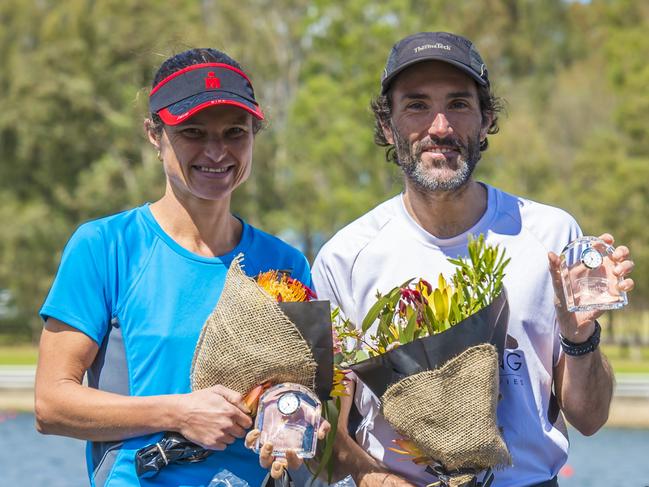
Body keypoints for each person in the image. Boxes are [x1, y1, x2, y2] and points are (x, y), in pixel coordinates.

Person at [312, 32, 635, 487]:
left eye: (459, 105)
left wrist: (580, 337)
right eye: (417, 105)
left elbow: (591, 418)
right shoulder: (344, 257)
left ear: (486, 121)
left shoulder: (551, 237)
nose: (440, 127)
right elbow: (327, 438)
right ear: (388, 125)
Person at [35, 48, 325, 487]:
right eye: (192, 132)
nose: (216, 151)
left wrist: (301, 429)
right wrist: (180, 412)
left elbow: (307, 397)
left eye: (235, 132)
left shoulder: (287, 264)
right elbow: (50, 404)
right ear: (155, 134)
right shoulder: (104, 247)